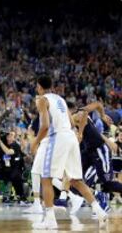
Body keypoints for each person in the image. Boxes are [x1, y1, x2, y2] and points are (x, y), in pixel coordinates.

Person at [31, 75, 107, 229]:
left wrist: (35, 141)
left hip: (57, 138)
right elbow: (72, 122)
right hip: (70, 137)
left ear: (39, 87)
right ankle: (100, 212)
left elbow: (45, 125)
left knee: (46, 178)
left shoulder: (42, 100)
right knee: (76, 180)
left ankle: (50, 220)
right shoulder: (60, 99)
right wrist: (78, 134)